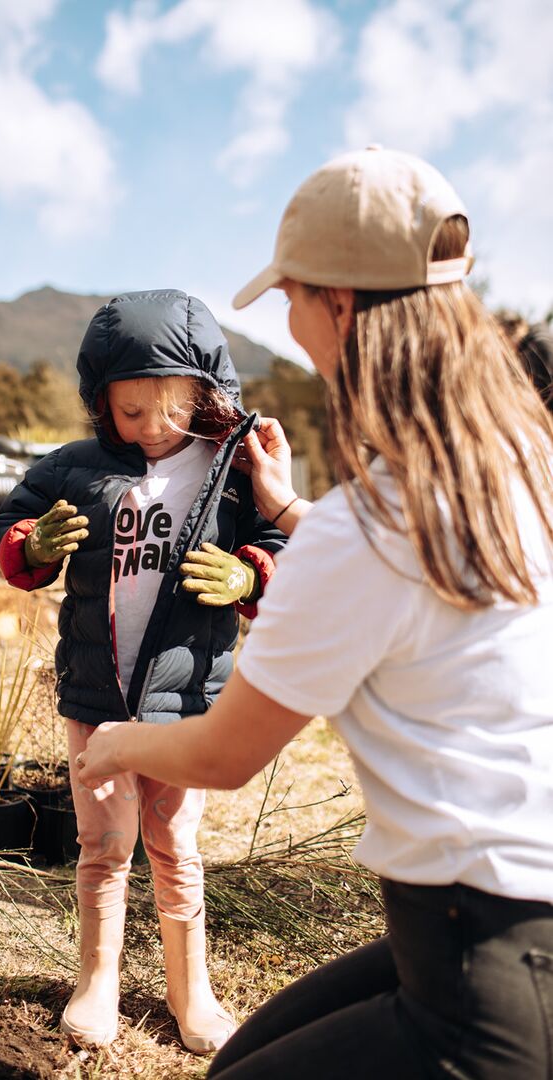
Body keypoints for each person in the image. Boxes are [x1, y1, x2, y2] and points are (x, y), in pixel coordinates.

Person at [74, 148, 553, 1078]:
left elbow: (223, 756)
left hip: (485, 973)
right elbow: (404, 575)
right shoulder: (514, 456)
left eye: (291, 296)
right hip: (499, 918)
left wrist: (119, 743)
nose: (288, 323)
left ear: (339, 302)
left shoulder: (374, 520)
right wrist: (291, 508)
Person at [0, 289, 287, 1053]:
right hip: (97, 695)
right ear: (101, 405)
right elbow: (8, 530)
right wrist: (35, 542)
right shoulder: (74, 468)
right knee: (102, 843)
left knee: (176, 847)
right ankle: (98, 982)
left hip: (188, 702)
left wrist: (250, 576)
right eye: (131, 412)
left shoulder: (233, 468)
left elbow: (283, 545)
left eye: (171, 408)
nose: (153, 426)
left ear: (205, 395)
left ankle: (194, 993)